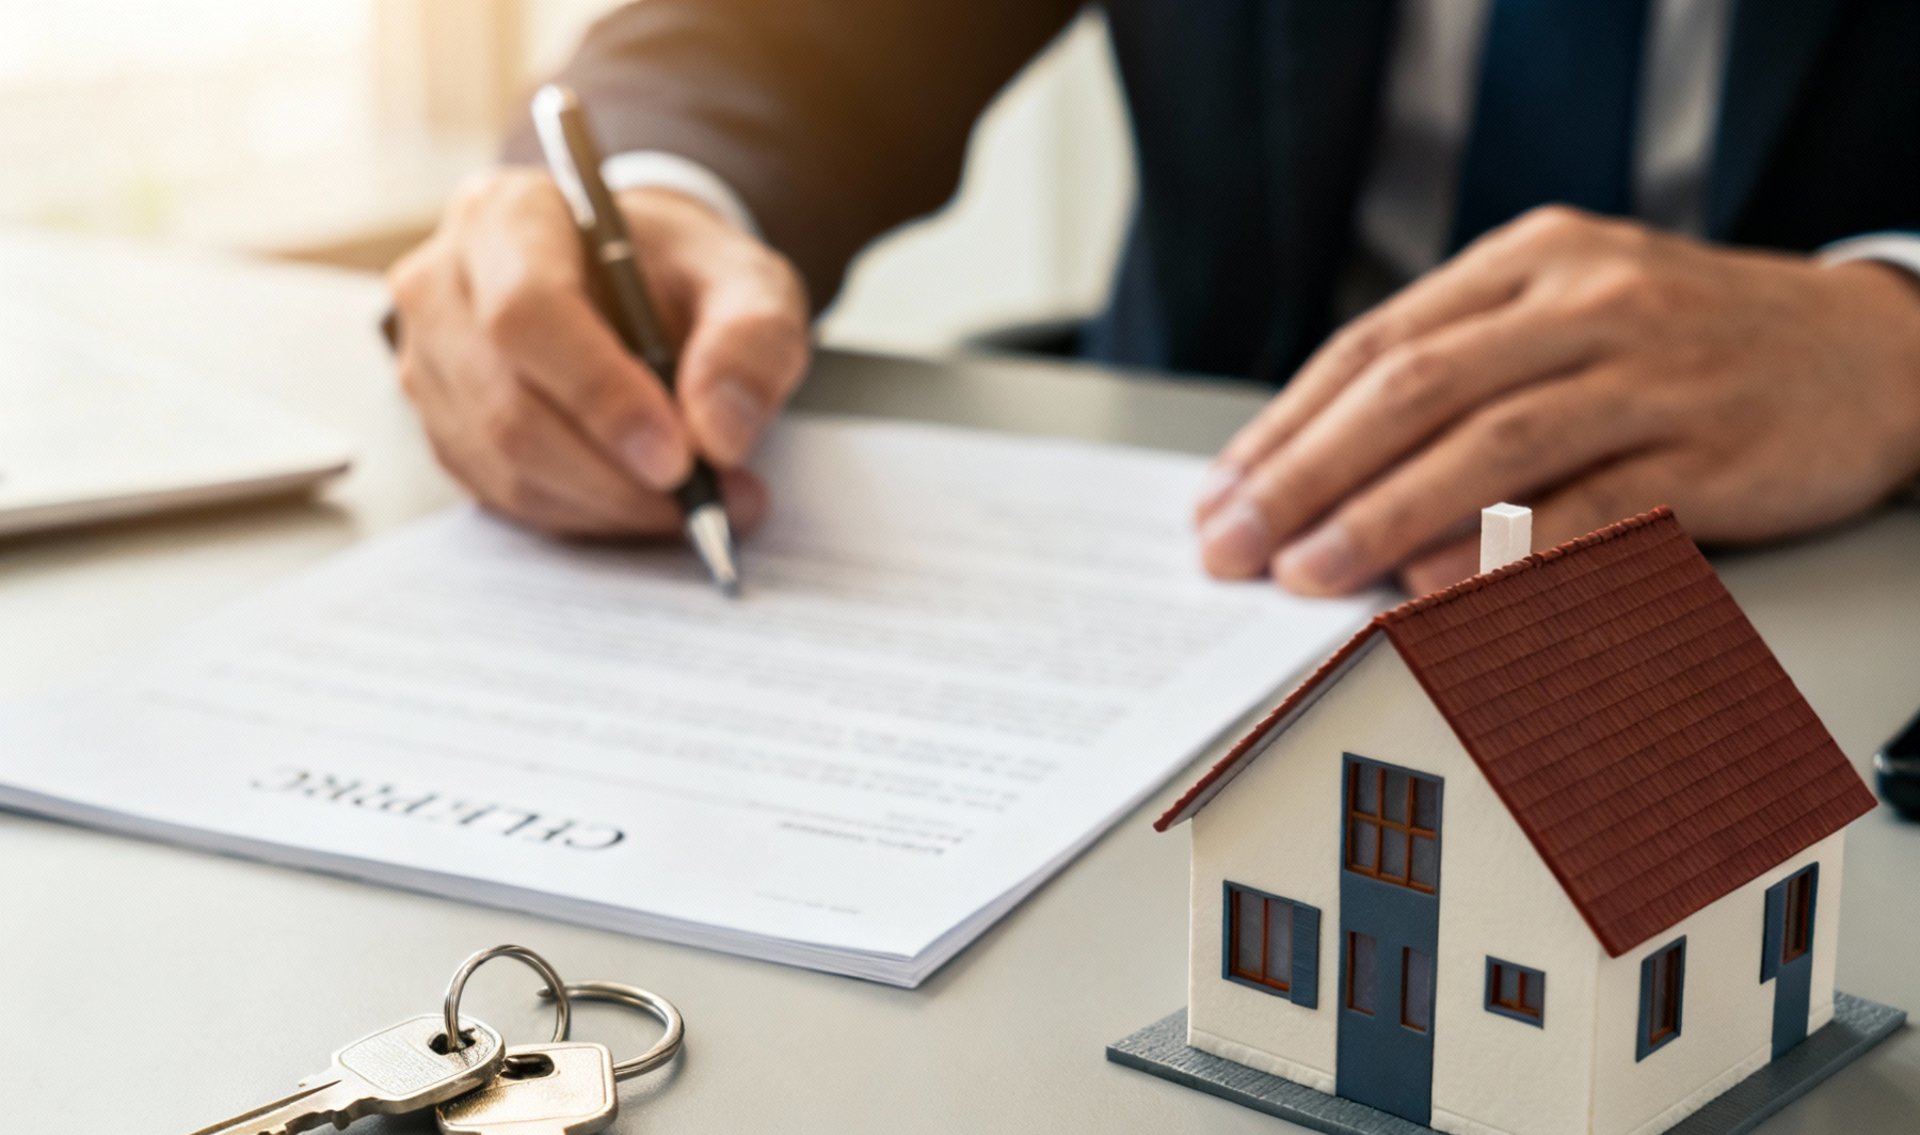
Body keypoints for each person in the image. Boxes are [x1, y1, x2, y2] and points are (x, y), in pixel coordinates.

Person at [386, 0, 1920, 596]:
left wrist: (1892, 340)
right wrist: (645, 198)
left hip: (1817, 584)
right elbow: (776, 41)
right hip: (1203, 569)